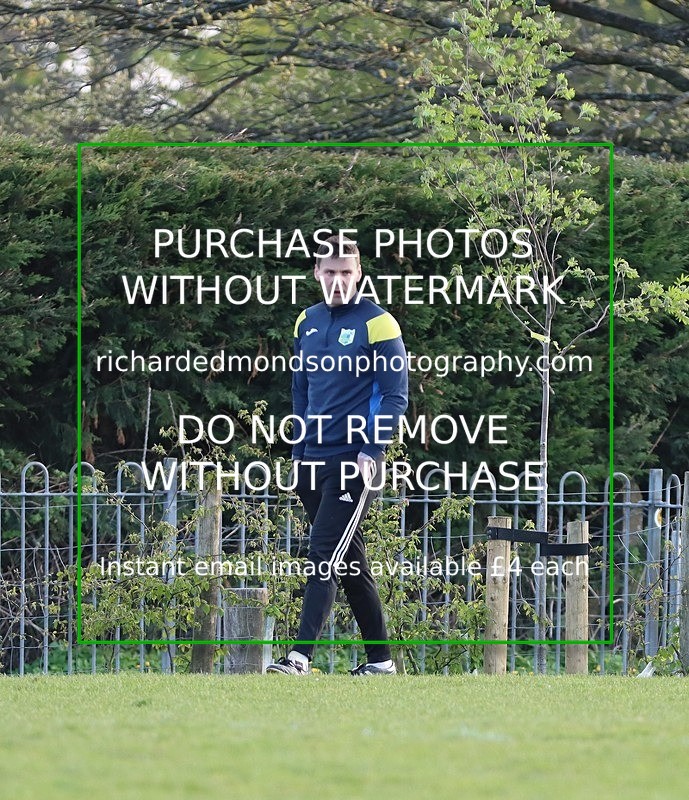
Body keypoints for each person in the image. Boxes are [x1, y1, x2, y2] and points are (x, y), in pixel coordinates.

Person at [267, 234, 408, 676]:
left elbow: (394, 397)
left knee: (324, 554)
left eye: (347, 273)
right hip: (312, 459)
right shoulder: (305, 321)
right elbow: (301, 391)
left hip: (354, 462)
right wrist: (297, 452)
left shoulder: (379, 323)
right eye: (330, 272)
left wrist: (373, 449)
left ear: (359, 273)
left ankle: (299, 658)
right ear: (316, 272)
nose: (338, 281)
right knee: (350, 564)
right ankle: (381, 662)